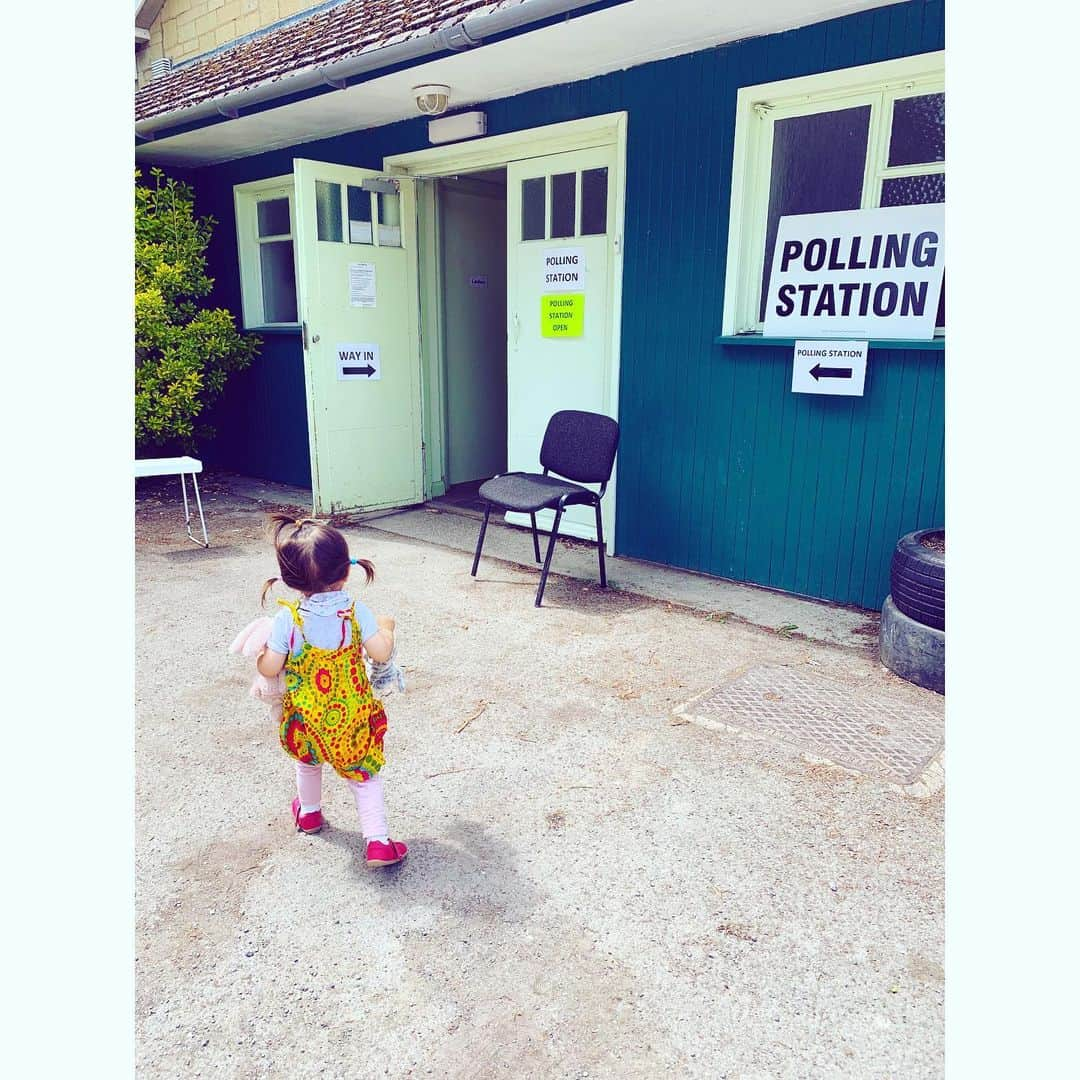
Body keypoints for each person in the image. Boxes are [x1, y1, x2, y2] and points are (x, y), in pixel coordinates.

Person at [255, 514, 408, 868]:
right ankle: (378, 841)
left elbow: (270, 667)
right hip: (350, 719)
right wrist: (386, 628)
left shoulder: (287, 619)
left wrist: (263, 653)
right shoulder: (355, 613)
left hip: (307, 718)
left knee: (307, 762)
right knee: (363, 776)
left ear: (292, 581)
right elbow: (381, 652)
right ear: (346, 571)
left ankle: (309, 814)